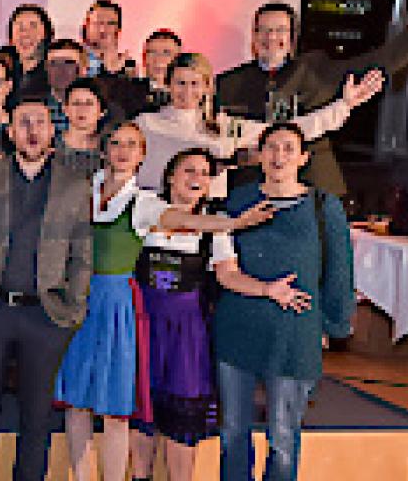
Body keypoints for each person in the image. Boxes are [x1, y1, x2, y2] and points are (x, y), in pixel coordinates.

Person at [51, 123, 274, 481]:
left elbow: (184, 220)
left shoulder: (145, 204)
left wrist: (232, 223)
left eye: (132, 145)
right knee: (77, 401)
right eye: (116, 143)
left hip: (129, 311)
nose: (122, 151)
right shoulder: (84, 189)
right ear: (104, 149)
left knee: (118, 407)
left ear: (142, 156)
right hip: (79, 302)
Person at [0, 95, 91, 481]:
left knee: (36, 416)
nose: (32, 131)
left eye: (40, 123)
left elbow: (82, 253)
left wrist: (72, 310)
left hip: (46, 316)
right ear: (10, 131)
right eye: (24, 123)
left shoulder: (74, 185)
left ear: (53, 131)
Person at [215, 0, 408, 194]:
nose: (271, 37)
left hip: (314, 190)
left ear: (292, 39)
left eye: (280, 30)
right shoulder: (228, 84)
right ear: (254, 36)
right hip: (250, 192)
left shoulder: (316, 69)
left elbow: (381, 61)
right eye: (264, 30)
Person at [215, 123, 355, 481]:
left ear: (304, 157)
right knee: (232, 431)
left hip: (294, 330)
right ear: (259, 155)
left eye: (289, 148)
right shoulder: (237, 201)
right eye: (272, 147)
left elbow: (339, 270)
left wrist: (333, 325)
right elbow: (221, 262)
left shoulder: (325, 206)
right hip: (238, 325)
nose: (279, 156)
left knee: (282, 436)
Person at [128, 148, 247, 481]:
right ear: (170, 176)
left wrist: (268, 290)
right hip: (143, 325)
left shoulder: (216, 227)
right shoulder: (146, 209)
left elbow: (227, 275)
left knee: (183, 418)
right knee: (142, 413)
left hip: (187, 333)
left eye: (204, 173)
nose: (197, 178)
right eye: (189, 170)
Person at [132, 55, 383, 192]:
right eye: (180, 83)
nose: (187, 91)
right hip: (156, 215)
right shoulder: (146, 124)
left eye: (195, 83)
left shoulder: (226, 127)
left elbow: (288, 131)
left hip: (209, 219)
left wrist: (343, 106)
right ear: (168, 85)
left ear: (208, 87)